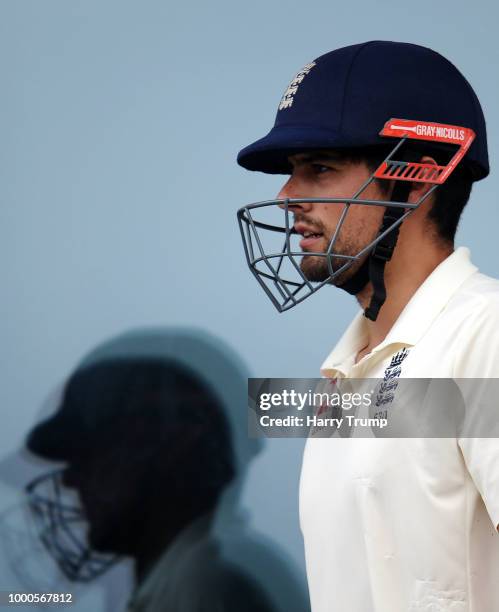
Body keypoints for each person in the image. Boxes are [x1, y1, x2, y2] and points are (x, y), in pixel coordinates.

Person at [236, 41, 499, 611]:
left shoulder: (488, 334)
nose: (285, 196)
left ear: (421, 175)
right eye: (290, 172)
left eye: (319, 169)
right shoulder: (343, 373)